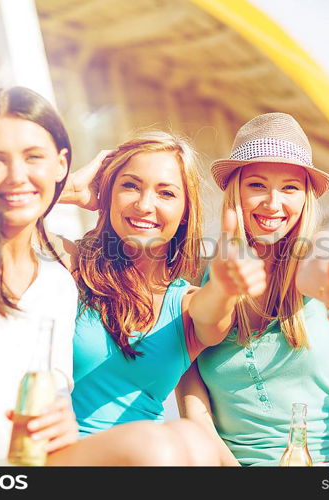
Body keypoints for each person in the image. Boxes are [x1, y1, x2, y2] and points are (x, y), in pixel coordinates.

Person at [0, 87, 218, 466]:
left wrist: (62, 422)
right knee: (159, 449)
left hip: (34, 464)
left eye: (33, 158)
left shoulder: (57, 284)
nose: (16, 175)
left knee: (190, 443)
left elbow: (55, 399)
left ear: (60, 162)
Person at [176, 112, 329, 466]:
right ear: (235, 192)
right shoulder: (195, 281)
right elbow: (194, 410)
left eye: (290, 188)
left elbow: (324, 261)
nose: (273, 204)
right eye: (257, 185)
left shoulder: (312, 253)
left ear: (306, 198)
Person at [57, 130, 267, 437]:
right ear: (107, 191)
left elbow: (211, 312)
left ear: (184, 212)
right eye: (130, 186)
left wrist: (224, 285)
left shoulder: (186, 303)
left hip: (145, 455)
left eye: (165, 193)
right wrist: (66, 189)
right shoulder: (69, 263)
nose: (144, 205)